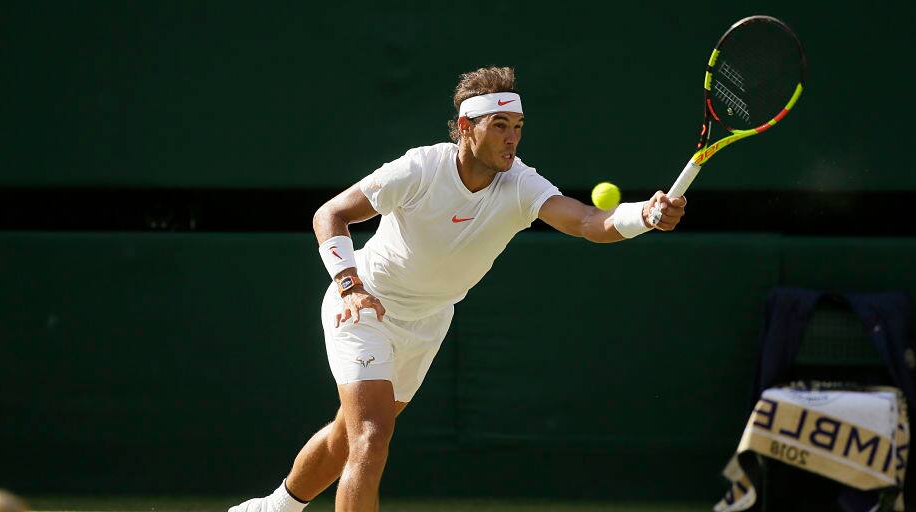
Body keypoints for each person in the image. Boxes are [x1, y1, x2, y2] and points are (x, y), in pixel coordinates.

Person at [229, 66, 687, 512]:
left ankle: (275, 507)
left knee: (349, 433)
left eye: (519, 126)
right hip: (365, 306)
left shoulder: (522, 183)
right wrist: (349, 286)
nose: (513, 138)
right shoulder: (420, 168)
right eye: (500, 125)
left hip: (428, 321)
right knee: (371, 435)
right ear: (467, 127)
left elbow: (588, 221)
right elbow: (330, 214)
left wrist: (643, 216)